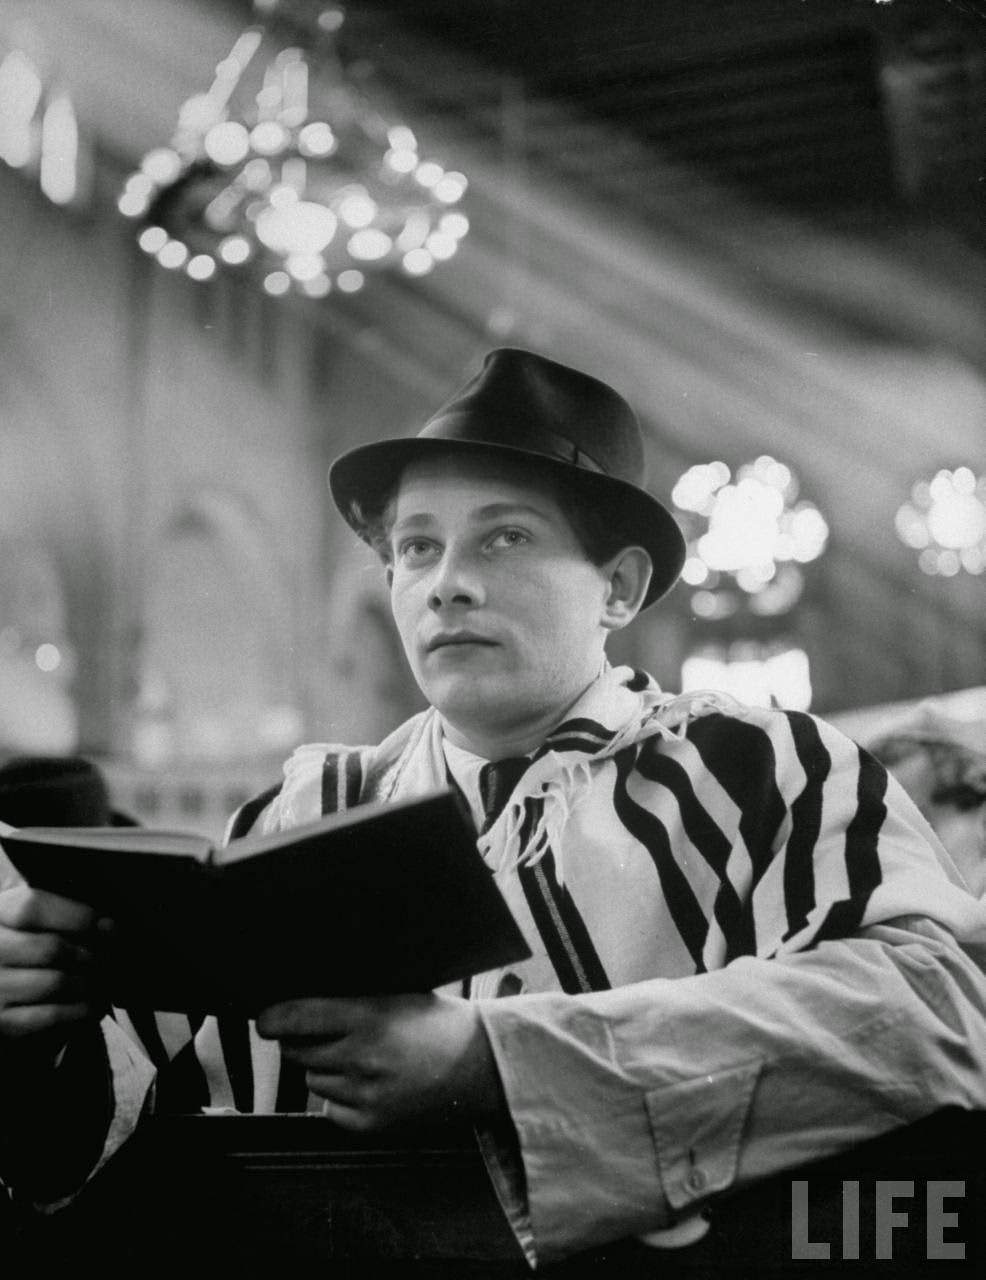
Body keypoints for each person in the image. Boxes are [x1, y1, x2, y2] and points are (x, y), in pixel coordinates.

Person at [2, 348, 986, 1267]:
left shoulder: (759, 764)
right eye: (415, 547)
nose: (447, 585)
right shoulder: (304, 809)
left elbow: (929, 1015)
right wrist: (35, 1022)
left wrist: (494, 1059)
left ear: (618, 584)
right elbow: (131, 1112)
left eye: (504, 536)